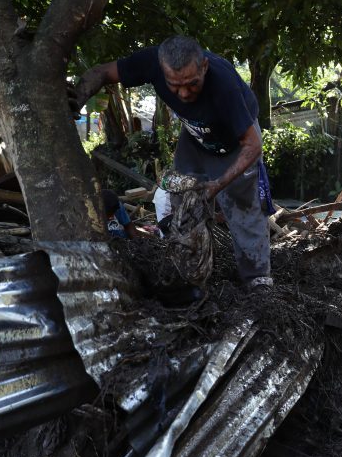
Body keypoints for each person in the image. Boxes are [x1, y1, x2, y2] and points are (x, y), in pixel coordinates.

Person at [72, 35, 272, 291]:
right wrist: (77, 98)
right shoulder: (151, 62)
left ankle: (257, 281)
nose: (184, 93)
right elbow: (102, 72)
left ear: (204, 68)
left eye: (192, 84)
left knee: (244, 207)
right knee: (184, 200)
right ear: (162, 70)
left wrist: (218, 184)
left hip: (236, 142)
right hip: (196, 136)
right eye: (174, 86)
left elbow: (253, 144)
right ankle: (192, 272)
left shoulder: (224, 84)